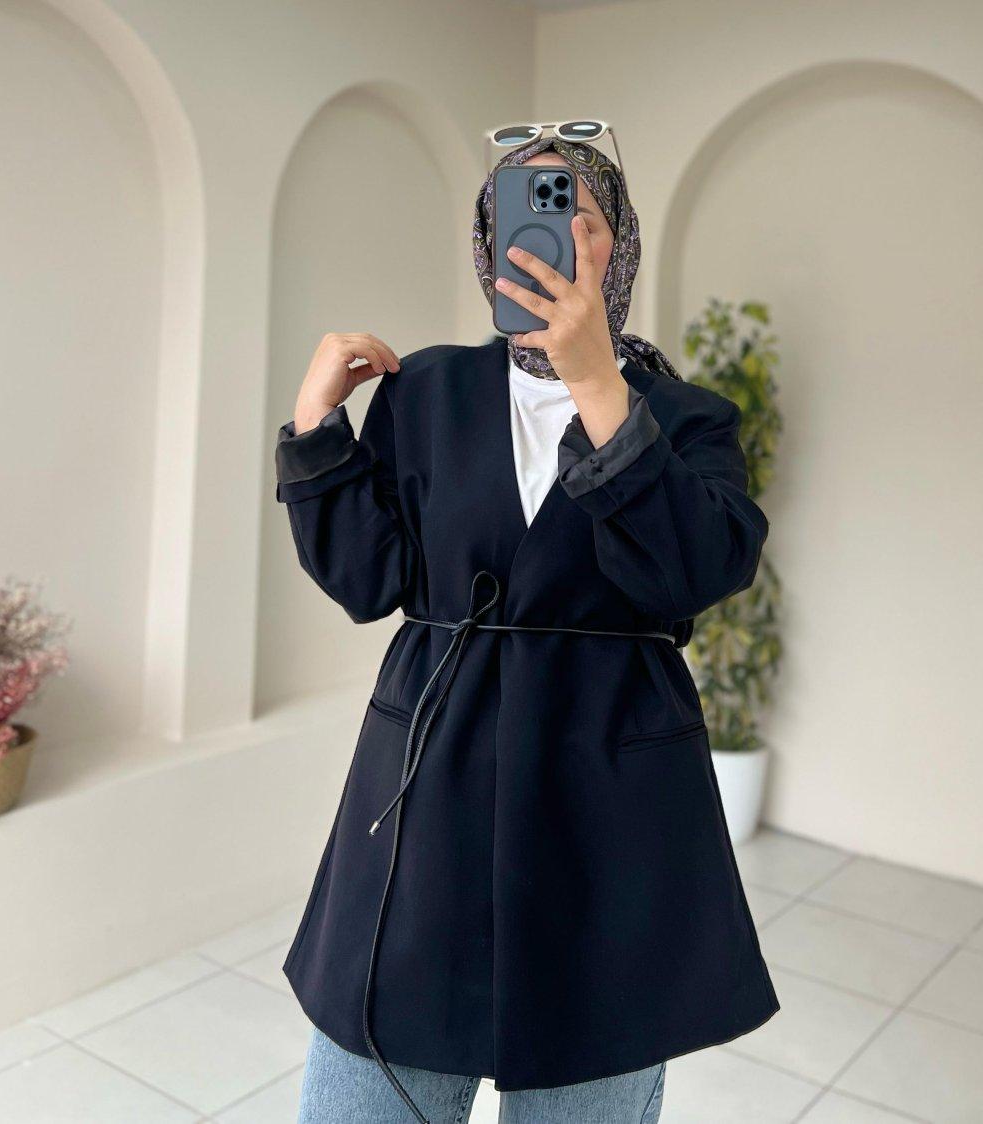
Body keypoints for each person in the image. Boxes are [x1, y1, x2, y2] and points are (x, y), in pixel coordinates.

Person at [274, 134, 780, 1124]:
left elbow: (700, 570)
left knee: (587, 1067)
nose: (551, 243)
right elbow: (368, 581)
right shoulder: (425, 390)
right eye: (523, 220)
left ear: (619, 243)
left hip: (610, 803)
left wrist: (599, 389)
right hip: (427, 796)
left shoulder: (688, 417)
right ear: (487, 245)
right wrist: (316, 429)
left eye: (579, 219)